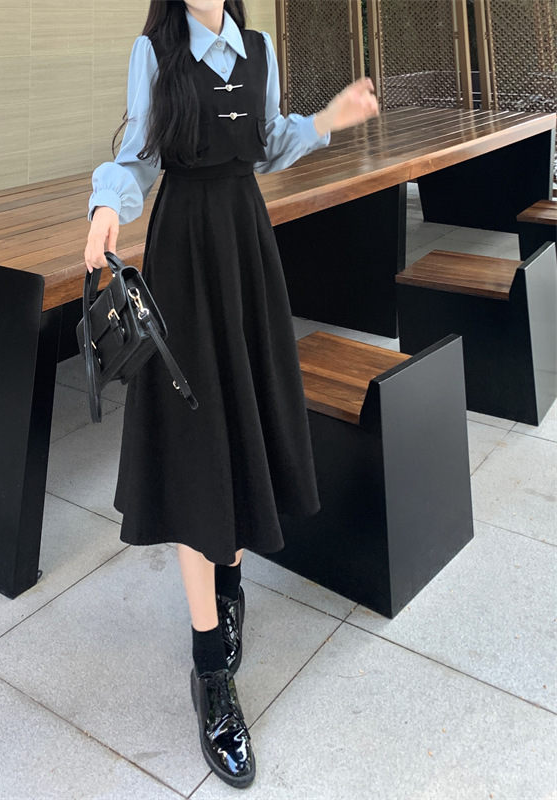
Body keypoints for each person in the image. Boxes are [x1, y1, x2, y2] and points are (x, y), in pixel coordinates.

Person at [84, 0, 378, 789]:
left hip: (247, 252)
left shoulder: (258, 47)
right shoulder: (156, 52)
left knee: (241, 424)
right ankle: (210, 669)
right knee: (195, 444)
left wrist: (330, 119)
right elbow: (138, 156)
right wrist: (107, 204)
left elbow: (270, 142)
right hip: (183, 255)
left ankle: (231, 582)